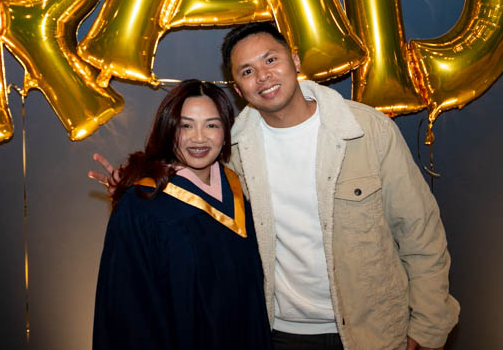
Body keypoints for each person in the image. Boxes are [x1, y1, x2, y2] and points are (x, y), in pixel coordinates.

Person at [91, 22, 459, 350]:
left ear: (295, 61)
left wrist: (427, 329)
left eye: (271, 60)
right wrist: (135, 188)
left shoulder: (366, 130)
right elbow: (186, 170)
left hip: (372, 331)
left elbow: (420, 233)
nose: (263, 76)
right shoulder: (236, 149)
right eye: (247, 70)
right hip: (278, 333)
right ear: (238, 86)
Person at [92, 80, 271, 350]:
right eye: (185, 125)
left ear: (225, 131)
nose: (199, 138)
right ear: (168, 129)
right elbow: (127, 312)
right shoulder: (142, 206)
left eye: (212, 125)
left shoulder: (239, 189)